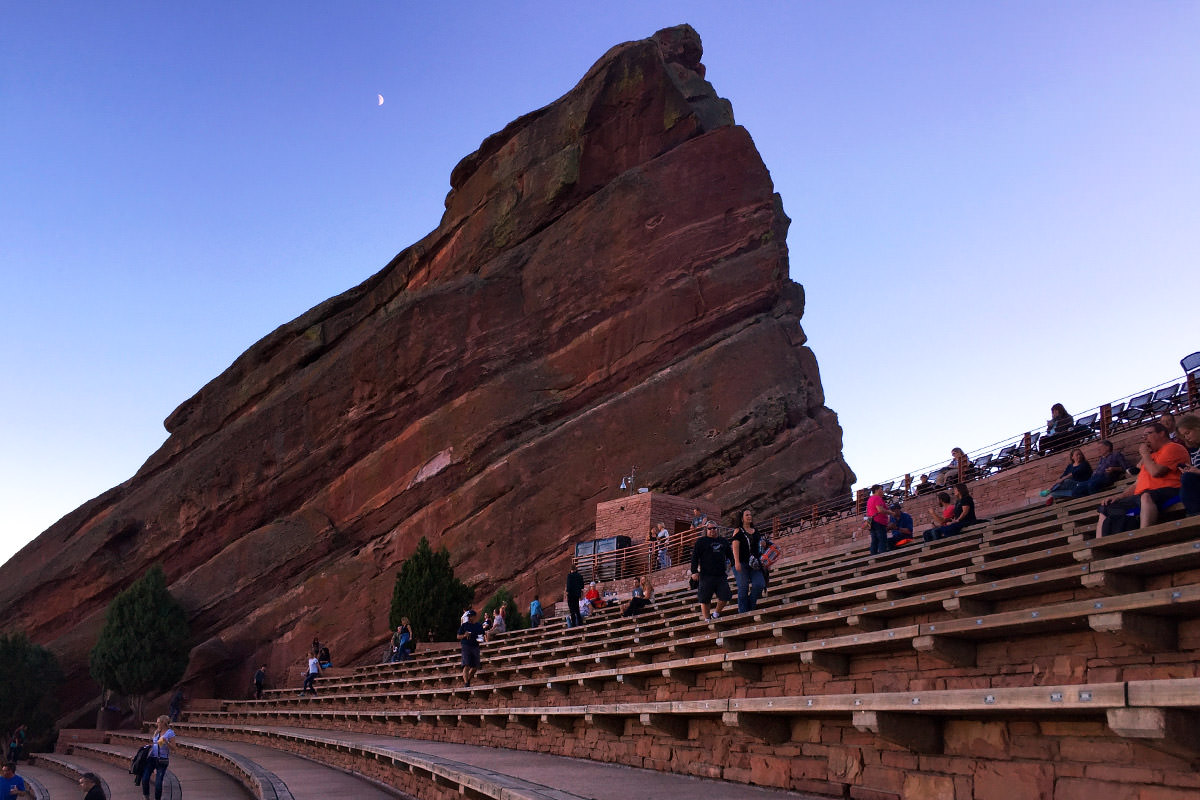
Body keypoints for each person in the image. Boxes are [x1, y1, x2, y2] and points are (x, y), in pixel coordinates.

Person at [1096, 423, 1189, 536]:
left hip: (1170, 489)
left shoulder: (1173, 447)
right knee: (1105, 507)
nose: (1145, 438)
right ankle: (1100, 543)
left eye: (1148, 434)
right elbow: (1138, 483)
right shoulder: (1151, 456)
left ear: (1162, 433)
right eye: (1143, 436)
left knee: (1146, 496)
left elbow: (1156, 472)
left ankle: (1144, 535)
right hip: (1142, 495)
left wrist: (1145, 455)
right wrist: (1118, 497)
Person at [690, 522, 733, 621]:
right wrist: (694, 571)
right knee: (705, 599)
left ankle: (716, 614)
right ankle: (707, 619)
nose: (712, 530)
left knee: (725, 595)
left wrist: (733, 565)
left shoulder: (723, 541)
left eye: (714, 528)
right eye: (710, 529)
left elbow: (730, 555)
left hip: (721, 574)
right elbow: (695, 557)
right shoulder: (701, 541)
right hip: (706, 575)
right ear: (706, 530)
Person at [731, 509, 767, 612]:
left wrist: (763, 544)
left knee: (759, 584)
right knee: (743, 587)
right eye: (747, 515)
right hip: (741, 562)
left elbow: (759, 546)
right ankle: (743, 612)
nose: (749, 517)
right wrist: (737, 562)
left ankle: (749, 608)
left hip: (754, 563)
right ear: (742, 518)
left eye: (750, 515)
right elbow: (735, 546)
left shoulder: (755, 531)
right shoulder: (738, 530)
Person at [140, 715, 175, 800]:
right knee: (145, 778)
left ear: (163, 723)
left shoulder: (170, 733)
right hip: (152, 758)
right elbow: (155, 744)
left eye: (158, 722)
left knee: (158, 784)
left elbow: (174, 748)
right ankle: (146, 797)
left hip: (162, 759)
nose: (157, 724)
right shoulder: (157, 732)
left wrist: (166, 742)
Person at [1173, 414, 1199, 516]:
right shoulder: (1193, 450)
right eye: (1184, 436)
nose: (1187, 437)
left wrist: (1196, 472)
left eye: (1188, 432)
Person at [456, 609, 485, 687]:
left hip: (475, 646)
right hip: (466, 646)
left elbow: (481, 636)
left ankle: (468, 679)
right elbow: (458, 636)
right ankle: (466, 683)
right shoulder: (464, 625)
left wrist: (480, 640)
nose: (469, 617)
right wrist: (464, 635)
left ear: (475, 617)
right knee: (466, 665)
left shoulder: (478, 626)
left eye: (471, 616)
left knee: (475, 667)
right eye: (468, 616)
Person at [864, 485, 890, 555]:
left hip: (871, 521)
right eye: (881, 489)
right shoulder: (877, 498)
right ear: (876, 490)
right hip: (878, 521)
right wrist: (891, 512)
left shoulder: (870, 499)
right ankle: (882, 555)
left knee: (874, 540)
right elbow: (880, 510)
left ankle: (873, 555)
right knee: (882, 539)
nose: (882, 491)